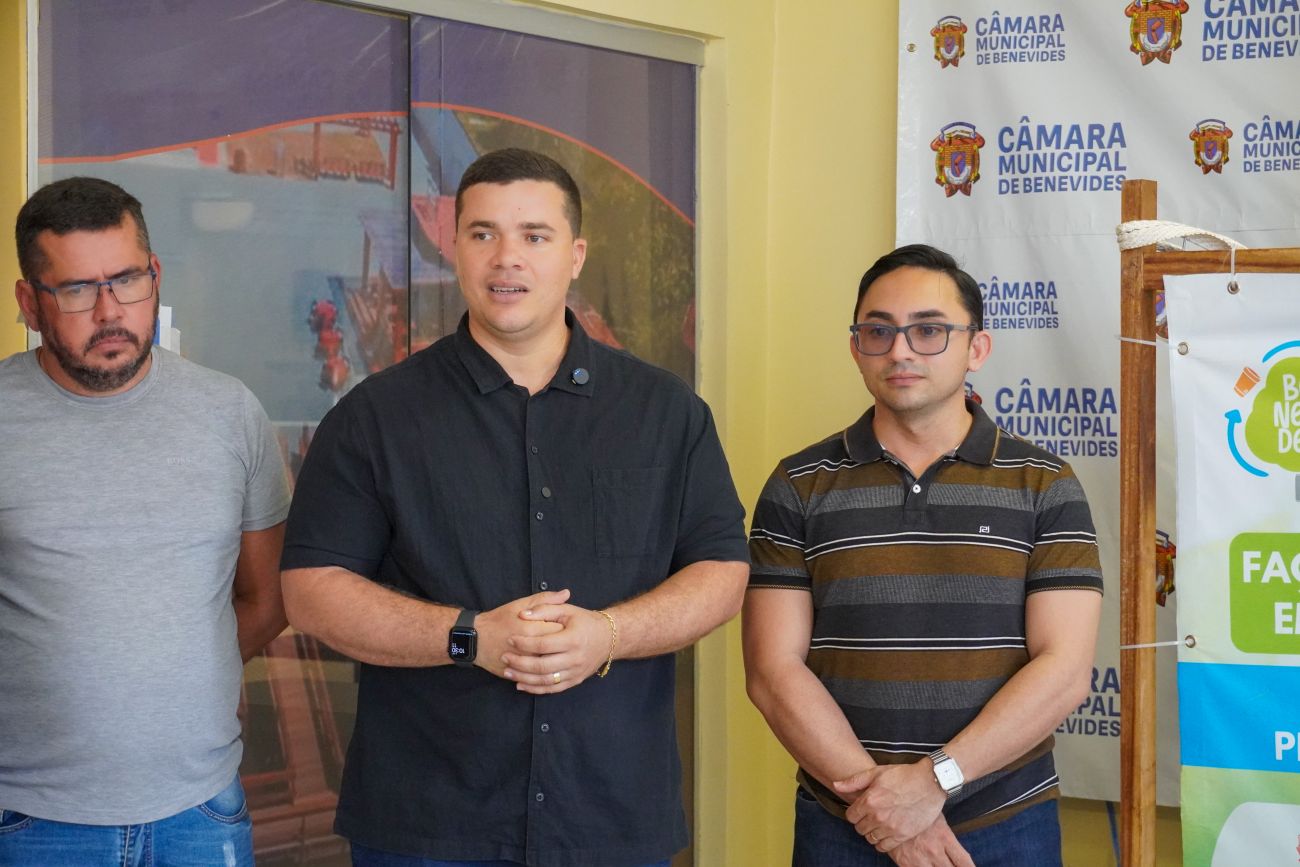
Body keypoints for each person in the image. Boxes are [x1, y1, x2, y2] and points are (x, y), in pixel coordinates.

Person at [280, 148, 749, 866]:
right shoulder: (375, 417)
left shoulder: (667, 412)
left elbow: (721, 570)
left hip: (610, 819)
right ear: (454, 248)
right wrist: (468, 637)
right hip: (426, 823)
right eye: (483, 233)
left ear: (575, 255)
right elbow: (312, 592)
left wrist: (609, 633)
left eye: (534, 234)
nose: (507, 258)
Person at [743, 244, 1103, 867]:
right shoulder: (798, 484)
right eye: (878, 331)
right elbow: (773, 671)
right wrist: (887, 811)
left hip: (1005, 823)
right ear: (856, 346)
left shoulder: (1045, 483)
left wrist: (933, 782)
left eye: (929, 330)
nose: (901, 351)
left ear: (977, 348)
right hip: (843, 823)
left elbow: (1065, 670)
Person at [0, 177, 291, 864]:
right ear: (29, 303)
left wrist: (183, 675)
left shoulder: (229, 413)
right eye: (76, 289)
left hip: (202, 811)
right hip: (31, 817)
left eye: (127, 280)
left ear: (155, 274)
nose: (110, 311)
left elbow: (268, 597)